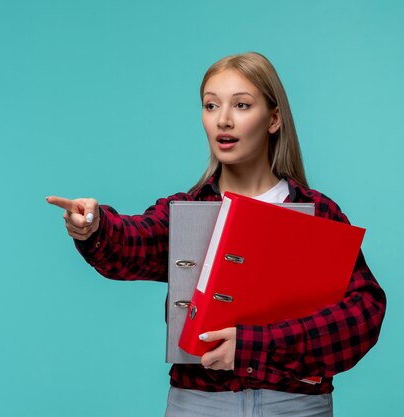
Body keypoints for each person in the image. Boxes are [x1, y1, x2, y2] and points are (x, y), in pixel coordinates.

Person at [46, 52, 386, 417]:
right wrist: (97, 227)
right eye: (211, 105)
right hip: (199, 405)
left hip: (296, 406)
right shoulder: (185, 210)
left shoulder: (319, 212)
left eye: (241, 105)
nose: (223, 120)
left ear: (273, 119)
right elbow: (137, 241)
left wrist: (256, 346)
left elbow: (364, 312)